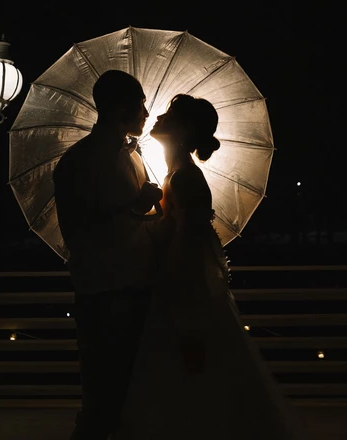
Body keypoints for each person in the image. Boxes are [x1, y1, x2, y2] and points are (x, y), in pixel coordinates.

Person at [112, 94, 301, 439]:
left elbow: (190, 254)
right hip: (171, 292)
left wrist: (187, 319)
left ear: (183, 130)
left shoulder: (187, 179)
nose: (158, 118)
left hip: (182, 297)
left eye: (169, 115)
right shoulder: (174, 176)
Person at [52, 69, 164, 440]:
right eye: (140, 105)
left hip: (138, 284)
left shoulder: (135, 154)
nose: (146, 113)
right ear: (120, 109)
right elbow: (81, 231)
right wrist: (136, 208)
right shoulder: (79, 162)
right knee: (104, 390)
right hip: (104, 290)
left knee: (133, 387)